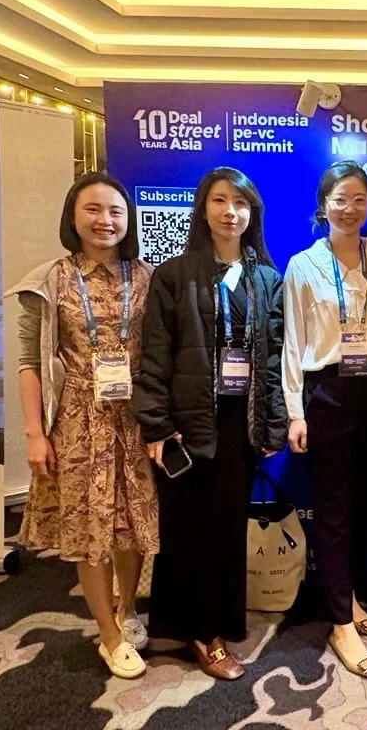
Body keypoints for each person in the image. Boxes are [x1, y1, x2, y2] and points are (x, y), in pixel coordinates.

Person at [132, 167, 287, 680]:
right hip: (184, 425)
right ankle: (194, 630)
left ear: (252, 213)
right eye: (219, 201)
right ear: (202, 209)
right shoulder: (174, 275)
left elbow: (273, 360)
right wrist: (155, 426)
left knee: (223, 532)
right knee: (184, 530)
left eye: (240, 203)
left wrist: (271, 426)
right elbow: (154, 356)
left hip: (239, 424)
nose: (229, 212)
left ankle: (213, 625)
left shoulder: (266, 279)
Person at [6, 172, 158, 679]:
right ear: (73, 217)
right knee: (91, 527)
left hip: (135, 418)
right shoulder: (47, 281)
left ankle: (127, 609)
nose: (105, 220)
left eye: (115, 211)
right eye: (93, 209)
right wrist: (34, 433)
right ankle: (109, 636)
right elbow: (29, 362)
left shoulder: (148, 277)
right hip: (76, 419)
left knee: (131, 525)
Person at [282, 160, 367, 679]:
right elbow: (292, 344)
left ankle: (349, 597)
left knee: (365, 504)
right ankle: (340, 623)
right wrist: (294, 412)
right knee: (332, 507)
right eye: (340, 199)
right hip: (327, 392)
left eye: (359, 199)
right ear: (323, 205)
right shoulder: (303, 265)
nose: (350, 208)